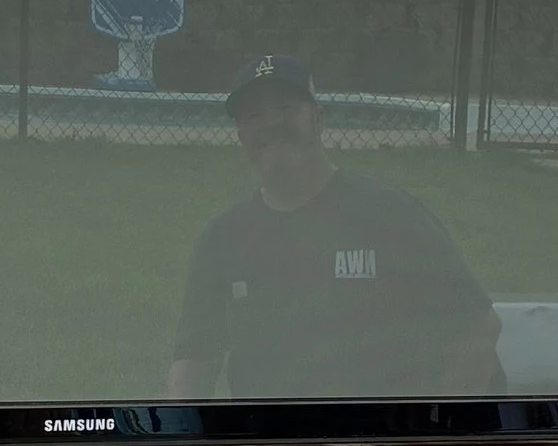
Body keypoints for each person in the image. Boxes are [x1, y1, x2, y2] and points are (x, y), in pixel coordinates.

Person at [168, 55, 503, 400]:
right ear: (241, 135)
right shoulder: (223, 237)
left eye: (285, 108)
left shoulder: (388, 215)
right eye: (253, 115)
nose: (271, 123)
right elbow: (193, 362)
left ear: (318, 118)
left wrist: (444, 424)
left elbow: (476, 326)